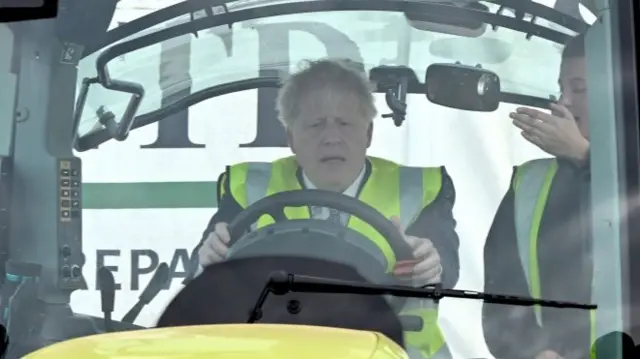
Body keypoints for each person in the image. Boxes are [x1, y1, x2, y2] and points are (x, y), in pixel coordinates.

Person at [193, 58, 461, 359]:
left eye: (345, 124)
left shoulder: (419, 189)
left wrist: (428, 265)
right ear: (291, 138)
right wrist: (209, 258)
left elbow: (446, 268)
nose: (332, 138)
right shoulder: (247, 188)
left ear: (369, 134)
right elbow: (203, 262)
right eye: (316, 124)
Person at [482, 32, 596, 359]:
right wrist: (533, 352)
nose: (564, 102)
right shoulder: (529, 181)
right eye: (562, 88)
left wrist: (587, 158)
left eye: (580, 89)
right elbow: (502, 294)